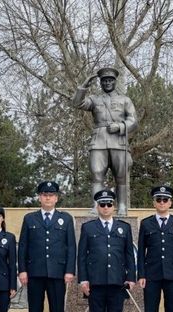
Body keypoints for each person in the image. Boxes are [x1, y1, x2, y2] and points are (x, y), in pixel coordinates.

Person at [18, 181, 77, 312]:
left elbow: (71, 247)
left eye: (51, 195)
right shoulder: (30, 219)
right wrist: (22, 270)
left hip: (58, 274)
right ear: (39, 197)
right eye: (44, 194)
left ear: (57, 198)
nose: (48, 197)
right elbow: (23, 247)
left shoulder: (65, 219)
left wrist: (69, 271)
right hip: (35, 273)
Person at [77, 190, 136, 312]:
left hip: (117, 282)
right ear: (97, 207)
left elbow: (129, 255)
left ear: (114, 207)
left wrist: (131, 277)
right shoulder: (88, 227)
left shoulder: (123, 227)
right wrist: (83, 279)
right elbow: (82, 256)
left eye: (109, 204)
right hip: (95, 282)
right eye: (102, 204)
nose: (105, 207)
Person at [71, 67, 138, 216]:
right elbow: (77, 103)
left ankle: (121, 206)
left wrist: (120, 126)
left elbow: (133, 121)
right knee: (96, 175)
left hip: (119, 142)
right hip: (99, 142)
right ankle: (95, 206)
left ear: (115, 81)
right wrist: (84, 86)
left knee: (121, 177)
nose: (107, 83)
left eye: (110, 80)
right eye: (104, 81)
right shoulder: (95, 99)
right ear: (101, 83)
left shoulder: (125, 100)